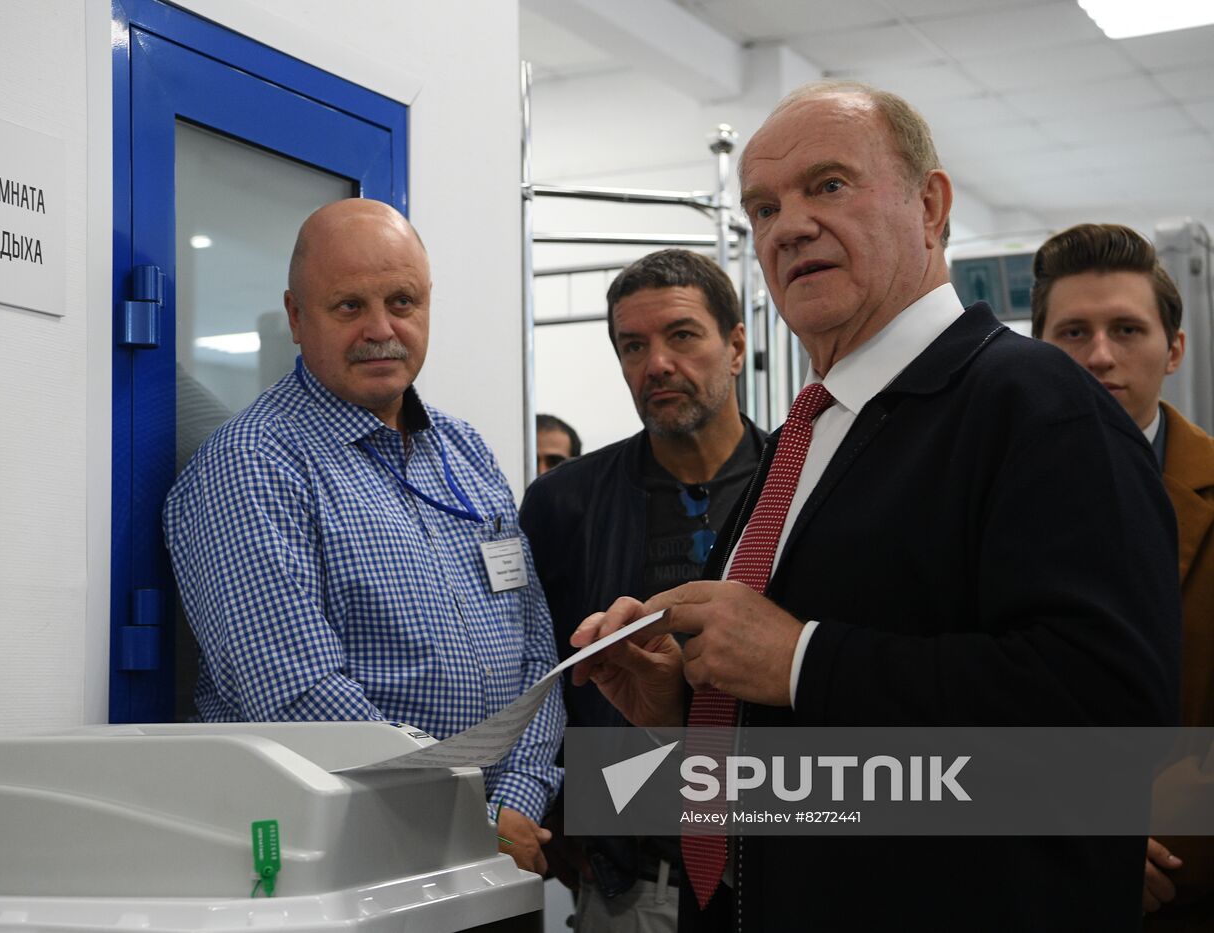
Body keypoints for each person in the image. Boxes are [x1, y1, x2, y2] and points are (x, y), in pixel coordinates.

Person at [570, 81, 1181, 931]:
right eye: (764, 207)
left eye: (828, 185)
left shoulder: (1040, 406)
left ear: (930, 206)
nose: (789, 226)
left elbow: (1102, 724)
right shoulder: (811, 431)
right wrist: (692, 705)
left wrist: (801, 658)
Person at [163, 198, 564, 874]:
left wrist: (518, 798)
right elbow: (299, 698)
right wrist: (474, 819)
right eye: (349, 306)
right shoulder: (253, 467)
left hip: (493, 853)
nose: (381, 328)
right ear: (295, 316)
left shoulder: (463, 449)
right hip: (349, 859)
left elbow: (536, 647)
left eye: (402, 301)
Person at [521, 249, 765, 930]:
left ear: (736, 345)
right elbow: (538, 678)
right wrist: (568, 818)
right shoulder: (563, 505)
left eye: (682, 335)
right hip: (634, 881)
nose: (656, 362)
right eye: (633, 345)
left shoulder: (798, 489)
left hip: (779, 858)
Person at [1033, 222, 1214, 931]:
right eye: (1073, 333)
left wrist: (1125, 842)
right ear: (1037, 353)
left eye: (1127, 330)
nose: (1100, 356)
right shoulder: (978, 503)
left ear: (1173, 349)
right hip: (1022, 885)